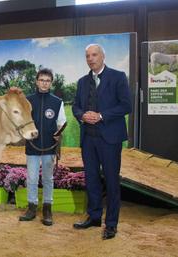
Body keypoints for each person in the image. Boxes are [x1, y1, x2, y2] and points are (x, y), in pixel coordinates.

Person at [72, 44, 132, 239]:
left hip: (110, 139)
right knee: (91, 180)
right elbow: (75, 106)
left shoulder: (118, 76)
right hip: (88, 139)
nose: (90, 58)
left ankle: (111, 224)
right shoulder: (82, 81)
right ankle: (95, 216)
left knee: (112, 181)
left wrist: (101, 115)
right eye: (87, 56)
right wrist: (83, 116)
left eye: (94, 55)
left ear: (103, 56)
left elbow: (126, 105)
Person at [19, 68, 67, 226]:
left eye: (47, 80)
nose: (44, 83)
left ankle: (47, 209)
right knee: (32, 178)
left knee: (48, 179)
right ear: (36, 81)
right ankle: (31, 207)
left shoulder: (57, 102)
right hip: (32, 146)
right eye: (42, 80)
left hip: (49, 147)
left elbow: (61, 123)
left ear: (51, 83)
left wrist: (58, 136)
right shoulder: (28, 100)